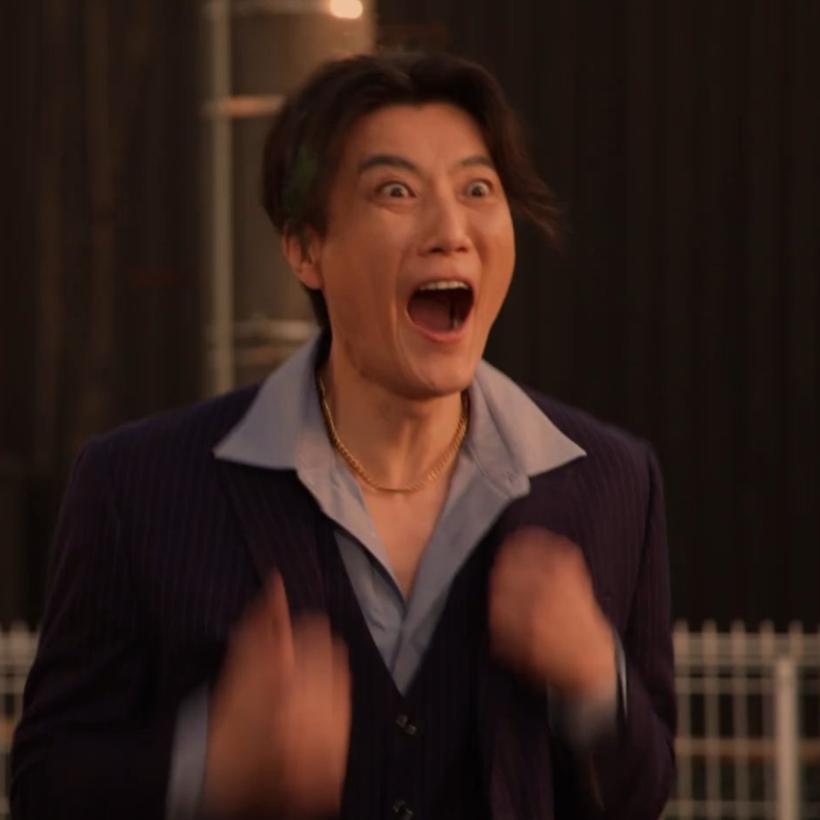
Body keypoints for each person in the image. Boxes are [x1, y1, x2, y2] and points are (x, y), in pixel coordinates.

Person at [11, 52, 675, 820]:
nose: (451, 231)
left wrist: (595, 682)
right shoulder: (137, 486)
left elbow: (643, 792)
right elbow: (45, 787)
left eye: (477, 190)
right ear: (305, 248)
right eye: (396, 191)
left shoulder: (612, 484)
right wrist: (212, 764)